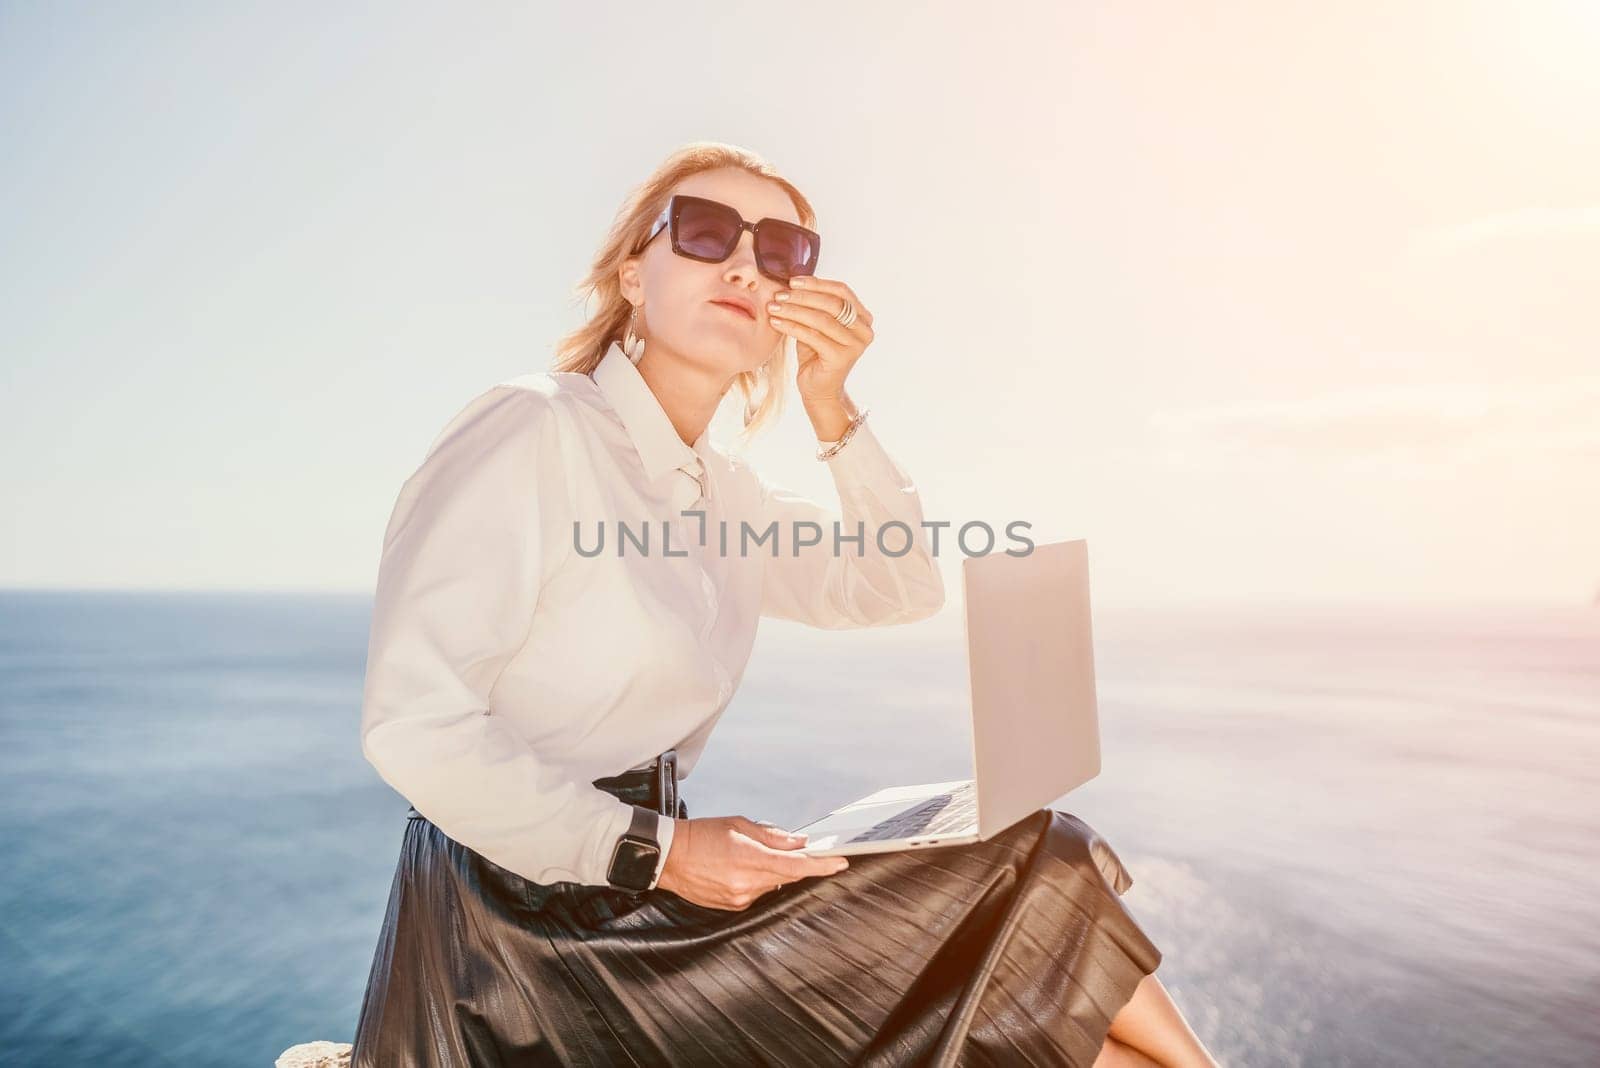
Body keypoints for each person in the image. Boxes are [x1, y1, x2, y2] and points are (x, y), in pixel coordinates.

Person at [349, 141, 1219, 1067]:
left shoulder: (724, 497)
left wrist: (832, 405)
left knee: (1037, 872)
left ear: (788, 306)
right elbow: (414, 727)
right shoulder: (534, 428)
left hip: (642, 893)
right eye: (705, 232)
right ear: (631, 274)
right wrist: (665, 853)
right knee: (1034, 869)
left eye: (780, 253)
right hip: (518, 928)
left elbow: (895, 587)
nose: (741, 264)